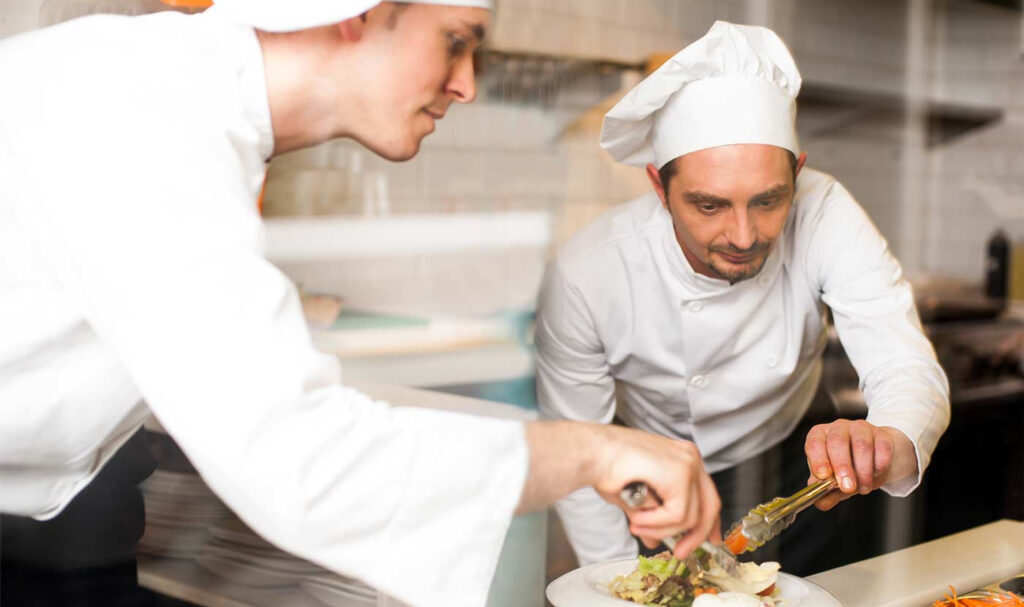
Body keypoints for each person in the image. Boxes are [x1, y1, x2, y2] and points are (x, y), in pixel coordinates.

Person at [0, 3, 722, 606]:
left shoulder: (181, 101)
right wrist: (592, 449)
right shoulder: (142, 110)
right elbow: (304, 460)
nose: (466, 84)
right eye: (456, 41)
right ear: (361, 13)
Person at [535, 21, 951, 572]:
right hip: (651, 487)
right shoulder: (587, 273)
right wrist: (614, 578)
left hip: (792, 479)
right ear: (659, 187)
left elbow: (905, 364)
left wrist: (887, 438)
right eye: (709, 205)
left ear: (797, 176)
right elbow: (580, 454)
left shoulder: (826, 212)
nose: (743, 235)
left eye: (768, 200)